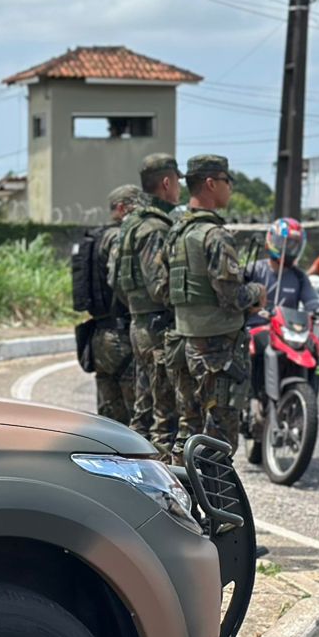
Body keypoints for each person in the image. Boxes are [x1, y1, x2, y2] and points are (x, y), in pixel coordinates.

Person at [164, 155, 265, 456]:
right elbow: (232, 296)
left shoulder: (176, 232)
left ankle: (178, 500)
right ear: (211, 183)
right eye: (227, 181)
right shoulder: (215, 235)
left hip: (183, 344)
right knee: (218, 442)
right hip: (217, 351)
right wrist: (257, 291)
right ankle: (216, 501)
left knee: (187, 431)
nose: (230, 188)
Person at [111, 159, 181, 455]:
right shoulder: (154, 227)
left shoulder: (131, 224)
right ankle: (158, 490)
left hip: (139, 324)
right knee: (163, 419)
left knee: (143, 412)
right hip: (158, 330)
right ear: (167, 183)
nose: (180, 188)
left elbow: (114, 280)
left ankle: (129, 476)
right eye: (178, 181)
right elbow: (160, 287)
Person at [247, 217, 319, 405]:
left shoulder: (299, 276)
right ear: (271, 240)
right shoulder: (255, 270)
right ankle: (250, 396)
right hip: (257, 327)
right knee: (252, 347)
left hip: (286, 331)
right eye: (284, 243)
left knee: (316, 349)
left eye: (294, 245)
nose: (289, 249)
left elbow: (312, 301)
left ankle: (308, 398)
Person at [89, 185, 139, 424]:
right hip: (121, 336)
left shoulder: (95, 237)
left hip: (98, 334)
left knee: (109, 418)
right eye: (136, 208)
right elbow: (119, 281)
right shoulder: (118, 237)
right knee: (135, 417)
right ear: (122, 208)